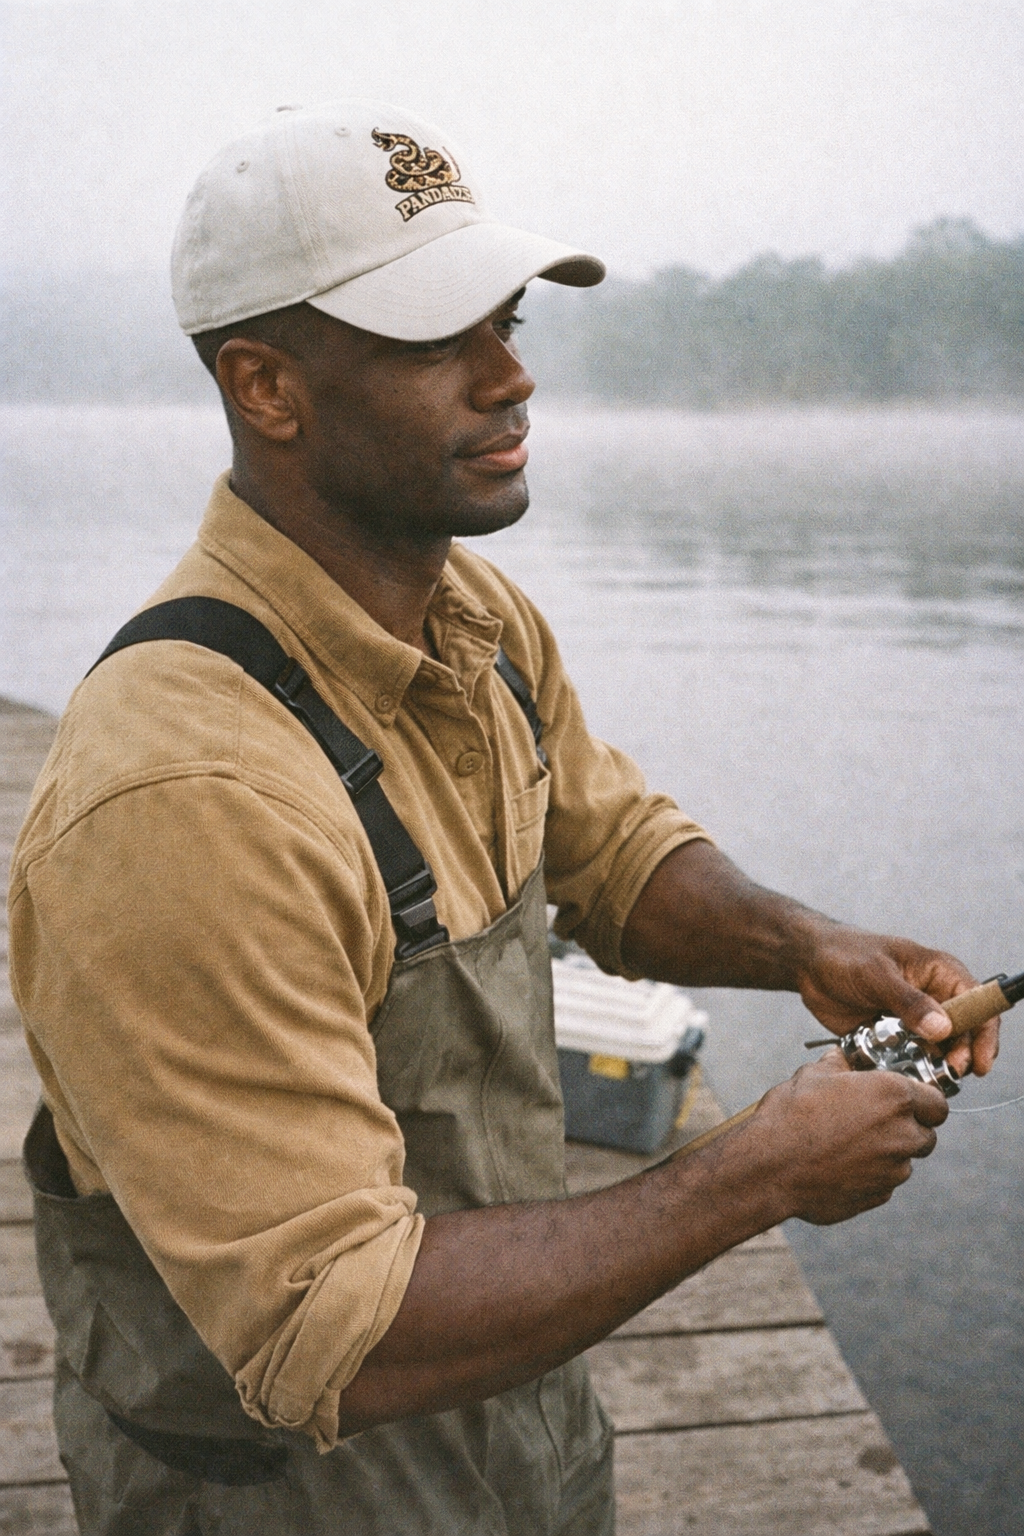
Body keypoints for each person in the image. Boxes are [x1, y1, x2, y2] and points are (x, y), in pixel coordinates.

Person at [9, 101, 998, 1536]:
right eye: (435, 338)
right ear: (266, 385)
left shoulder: (466, 608)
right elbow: (328, 1323)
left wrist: (805, 942)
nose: (511, 378)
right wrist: (757, 1171)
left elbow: (609, 851)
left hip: (515, 1430)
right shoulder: (180, 803)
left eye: (510, 321)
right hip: (282, 1493)